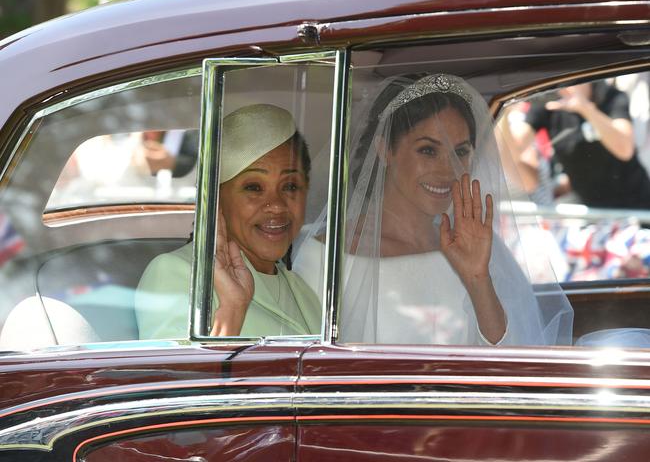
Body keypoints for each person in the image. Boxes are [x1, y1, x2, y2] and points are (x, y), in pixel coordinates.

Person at [294, 74, 573, 346]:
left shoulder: (475, 246)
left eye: (460, 152)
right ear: (384, 150)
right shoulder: (324, 256)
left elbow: (511, 356)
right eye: (428, 150)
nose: (448, 169)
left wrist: (478, 280)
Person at [135, 104, 321, 339]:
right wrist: (232, 309)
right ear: (216, 200)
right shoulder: (176, 273)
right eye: (254, 187)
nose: (277, 205)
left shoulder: (302, 291)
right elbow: (181, 375)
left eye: (290, 186)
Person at [511, 81, 650, 209]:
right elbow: (515, 147)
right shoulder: (548, 103)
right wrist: (502, 114)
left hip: (637, 207)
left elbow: (625, 149)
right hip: (593, 213)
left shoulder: (610, 96)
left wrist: (585, 108)